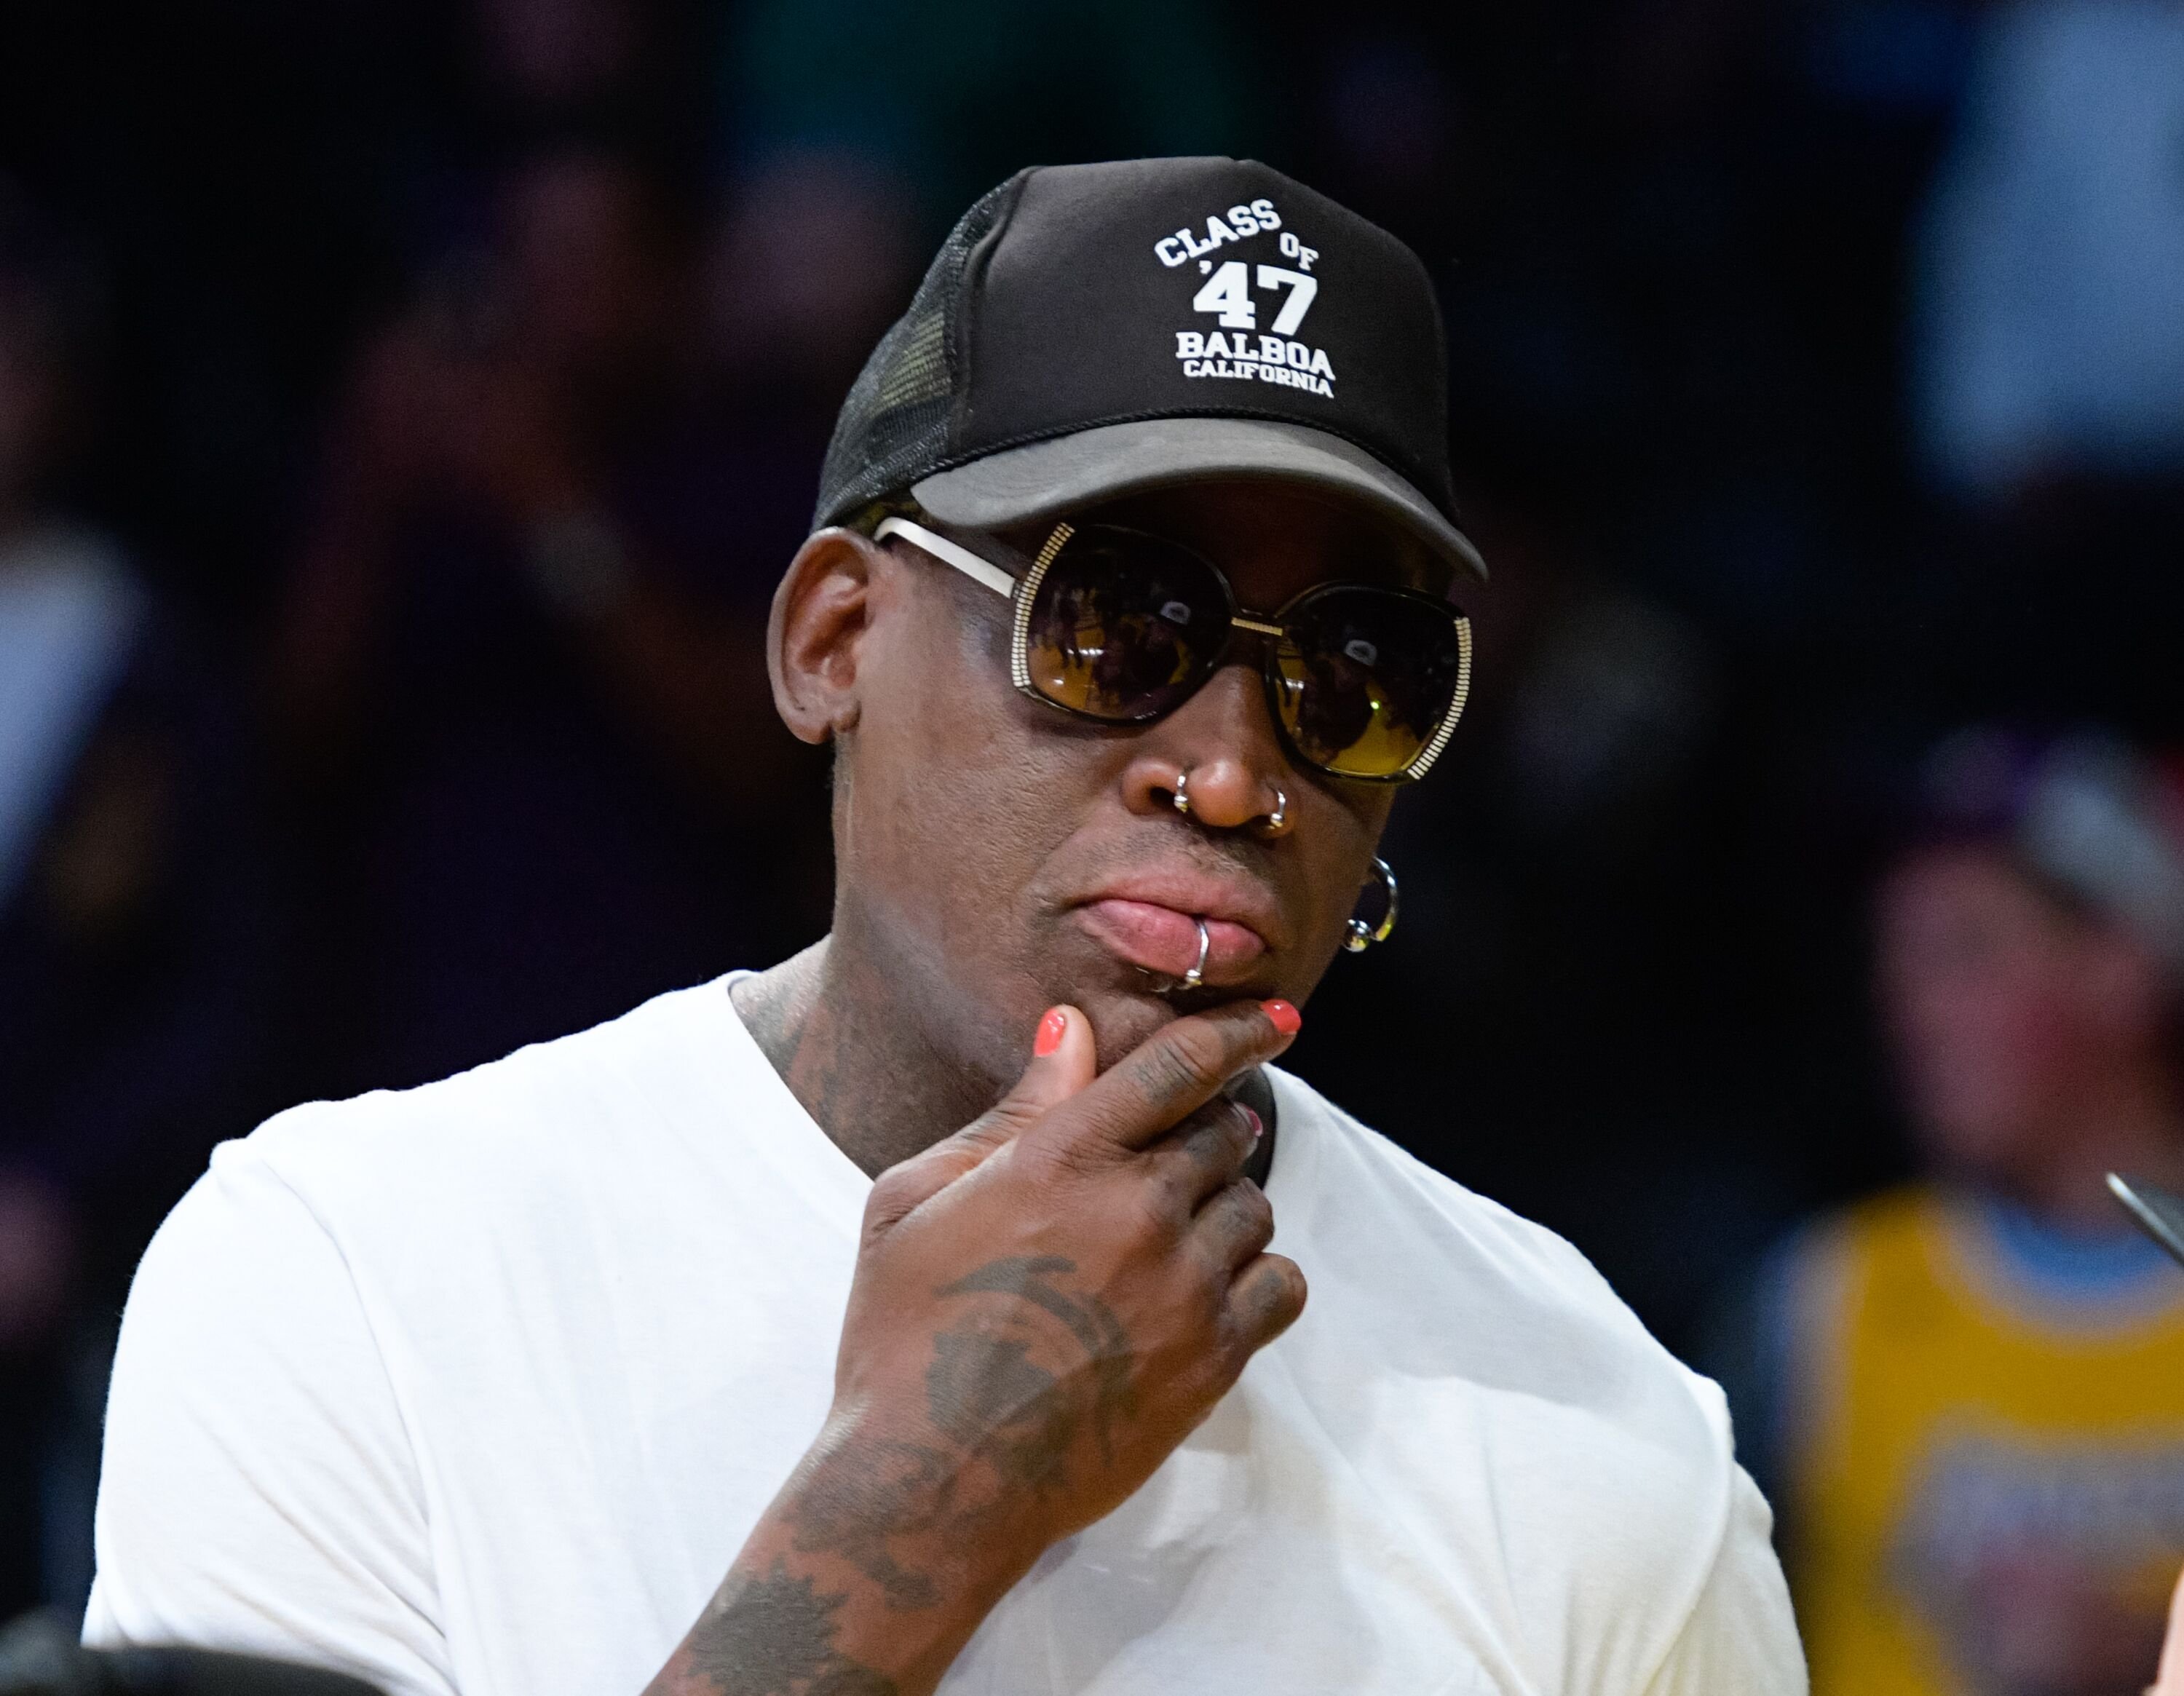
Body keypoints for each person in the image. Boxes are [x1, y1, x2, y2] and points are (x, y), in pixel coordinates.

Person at [83, 158, 1804, 1695]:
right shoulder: (352, 1278)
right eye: (1117, 622)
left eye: (1353, 678)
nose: (1226, 772)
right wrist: (910, 1508)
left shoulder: (1596, 1438)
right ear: (835, 639)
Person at [1722, 728, 2184, 1696]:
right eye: (1897, 958)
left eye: (1966, 948)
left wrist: (2145, 1648)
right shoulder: (1823, 1299)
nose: (1912, 1004)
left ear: (2124, 965)